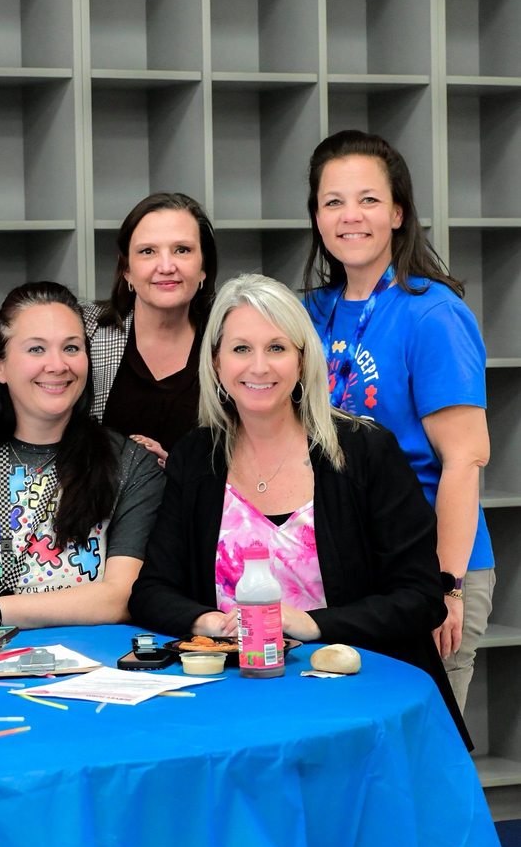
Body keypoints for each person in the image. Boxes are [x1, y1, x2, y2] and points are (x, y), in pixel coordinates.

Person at [128, 273, 470, 747]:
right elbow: (151, 590)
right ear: (216, 362)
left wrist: (313, 624)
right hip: (230, 704)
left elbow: (419, 596)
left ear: (303, 358)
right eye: (241, 349)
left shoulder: (365, 450)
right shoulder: (196, 456)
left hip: (357, 703)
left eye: (277, 347)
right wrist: (207, 622)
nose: (259, 367)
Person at [302, 129, 493, 713]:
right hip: (345, 570)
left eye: (368, 199)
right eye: (333, 201)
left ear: (398, 212)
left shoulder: (433, 313)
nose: (349, 216)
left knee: (423, 761)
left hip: (427, 570)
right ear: (316, 215)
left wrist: (446, 588)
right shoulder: (310, 312)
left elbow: (465, 458)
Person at [0, 192, 218, 495]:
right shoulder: (84, 330)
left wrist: (179, 465)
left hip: (194, 522)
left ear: (204, 267)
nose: (166, 265)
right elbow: (4, 398)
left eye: (182, 250)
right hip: (93, 519)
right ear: (127, 271)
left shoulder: (227, 344)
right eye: (148, 251)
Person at [0, 281, 164, 635]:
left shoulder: (130, 465)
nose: (57, 365)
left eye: (71, 347)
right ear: (0, 365)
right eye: (36, 349)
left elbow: (120, 597)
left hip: (81, 673)